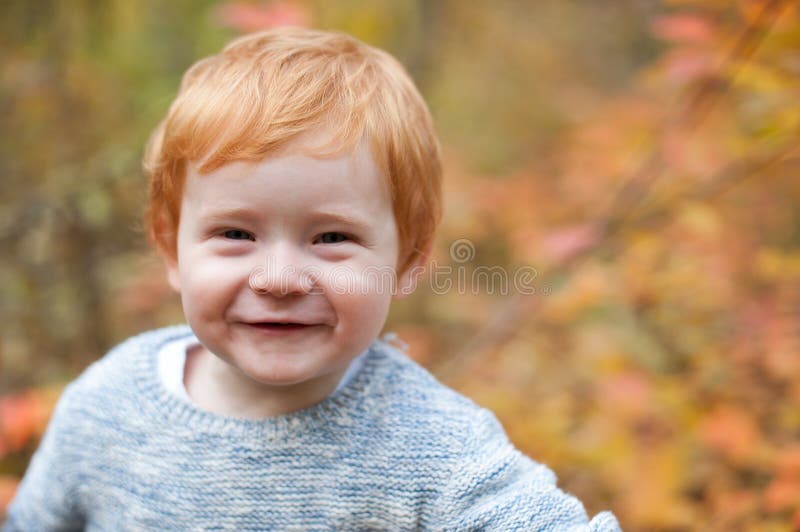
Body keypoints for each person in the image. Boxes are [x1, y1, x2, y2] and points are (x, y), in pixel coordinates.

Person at [4, 27, 621, 530]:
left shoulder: (428, 446)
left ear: (407, 263)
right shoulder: (111, 403)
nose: (278, 279)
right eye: (235, 235)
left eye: (332, 238)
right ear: (171, 249)